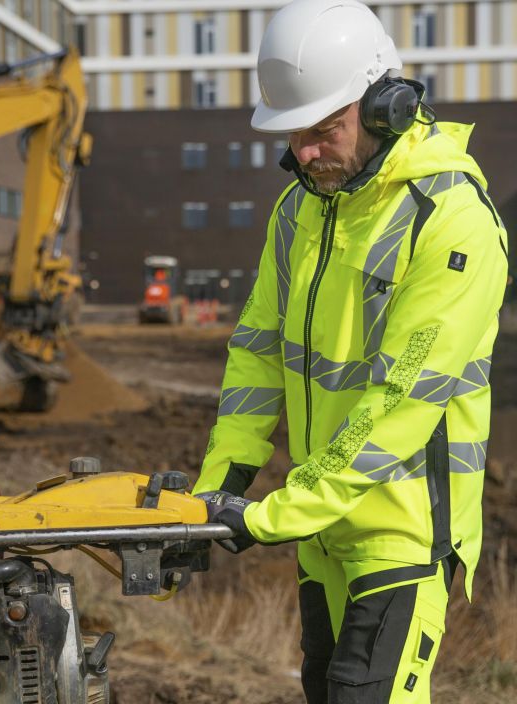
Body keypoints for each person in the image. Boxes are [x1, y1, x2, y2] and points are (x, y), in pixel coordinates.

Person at [192, 1, 509, 702]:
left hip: (401, 532)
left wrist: (277, 514)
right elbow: (257, 355)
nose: (303, 154)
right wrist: (216, 491)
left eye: (322, 131)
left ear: (385, 106)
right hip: (324, 535)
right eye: (293, 135)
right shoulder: (299, 209)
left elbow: (400, 401)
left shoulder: (453, 221)